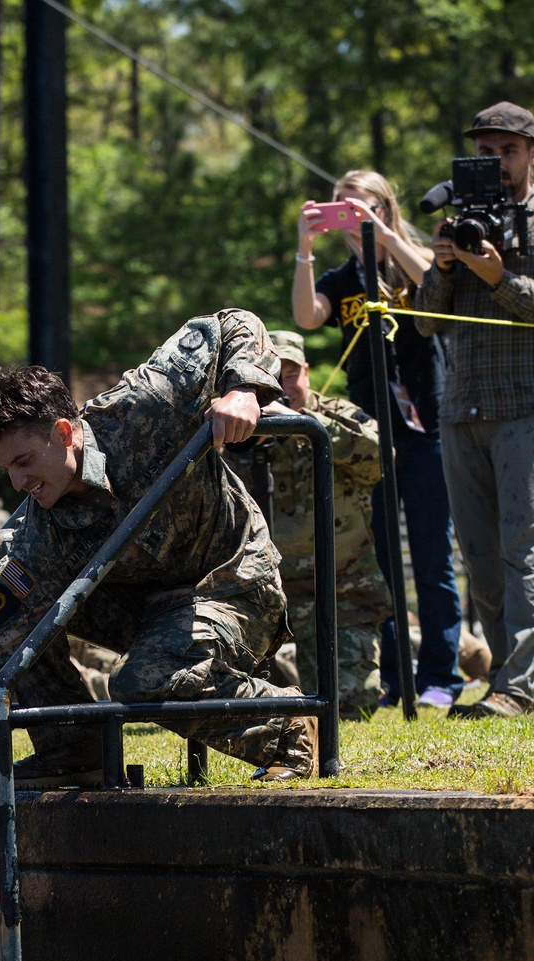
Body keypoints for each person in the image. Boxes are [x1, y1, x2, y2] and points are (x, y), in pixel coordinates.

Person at [0, 310, 320, 858]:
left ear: (64, 433)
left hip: (229, 581)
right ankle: (73, 748)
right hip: (147, 602)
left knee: (140, 680)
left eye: (24, 461)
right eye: (6, 471)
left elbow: (232, 321)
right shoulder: (40, 526)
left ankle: (285, 728)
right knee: (0, 558)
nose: (19, 483)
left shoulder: (148, 403)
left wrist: (243, 389)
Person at [293, 168, 464, 709]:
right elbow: (306, 315)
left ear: (385, 207)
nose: (349, 216)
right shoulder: (343, 280)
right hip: (368, 440)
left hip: (426, 428)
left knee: (433, 559)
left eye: (360, 206)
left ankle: (442, 676)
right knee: (381, 561)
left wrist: (386, 238)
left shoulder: (413, 265)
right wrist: (305, 247)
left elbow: (438, 286)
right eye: (341, 207)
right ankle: (395, 676)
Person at [414, 102, 534, 718]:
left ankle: (521, 687)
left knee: (524, 549)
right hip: (461, 408)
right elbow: (428, 319)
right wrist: (441, 265)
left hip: (524, 406)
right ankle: (503, 680)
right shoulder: (460, 224)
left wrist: (496, 276)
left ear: (530, 153)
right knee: (481, 556)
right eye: (485, 151)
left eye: (507, 150)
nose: (496, 161)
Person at [227, 330, 387, 718]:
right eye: (271, 377)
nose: (282, 386)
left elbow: (381, 456)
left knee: (350, 706)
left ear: (307, 373)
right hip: (265, 593)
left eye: (290, 374)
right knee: (244, 704)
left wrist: (303, 423)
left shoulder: (335, 415)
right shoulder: (237, 425)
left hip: (340, 587)